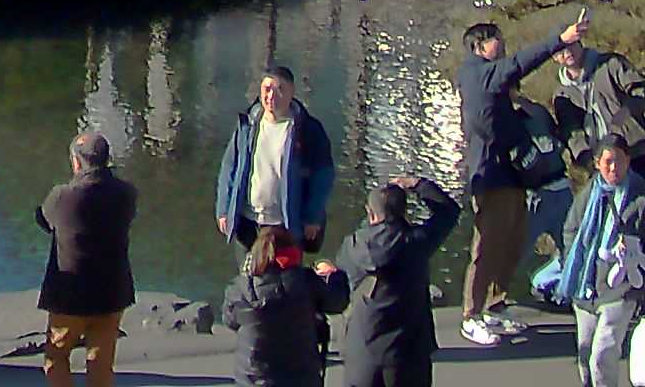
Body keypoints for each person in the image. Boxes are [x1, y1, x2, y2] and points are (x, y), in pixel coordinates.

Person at [455, 19, 563, 345]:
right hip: (490, 177)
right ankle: (471, 315)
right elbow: (518, 65)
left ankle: (495, 305)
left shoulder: (491, 77)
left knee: (512, 242)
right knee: (487, 246)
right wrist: (558, 39)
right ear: (479, 46)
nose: (502, 47)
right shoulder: (477, 73)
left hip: (513, 174)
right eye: (496, 42)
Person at [534, 139, 645, 387]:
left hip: (622, 288)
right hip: (586, 287)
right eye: (608, 162)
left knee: (603, 354)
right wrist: (577, 259)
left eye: (619, 161)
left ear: (628, 160)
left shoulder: (643, 197)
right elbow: (571, 229)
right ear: (597, 164)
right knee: (585, 352)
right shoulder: (589, 195)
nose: (613, 168)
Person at [38, 130, 137, 387]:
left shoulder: (63, 195)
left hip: (70, 295)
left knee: (57, 356)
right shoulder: (126, 193)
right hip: (112, 291)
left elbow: (44, 220)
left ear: (76, 162)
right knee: (101, 362)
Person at [338, 178, 453, 387]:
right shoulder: (417, 241)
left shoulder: (353, 245)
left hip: (363, 348)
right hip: (408, 350)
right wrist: (418, 184)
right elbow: (448, 211)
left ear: (370, 213)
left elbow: (342, 282)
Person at [217, 65, 336, 252]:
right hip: (248, 221)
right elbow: (229, 166)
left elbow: (323, 175)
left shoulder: (307, 129)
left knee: (287, 279)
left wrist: (312, 217)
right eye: (267, 89)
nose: (272, 96)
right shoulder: (248, 124)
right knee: (248, 277)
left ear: (292, 93)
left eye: (280, 90)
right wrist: (224, 209)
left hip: (285, 224)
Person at [550, 18, 645, 199]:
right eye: (561, 49)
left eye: (571, 45)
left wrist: (628, 110)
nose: (568, 52)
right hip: (606, 164)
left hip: (641, 152)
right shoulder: (562, 95)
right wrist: (587, 160)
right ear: (554, 57)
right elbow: (571, 132)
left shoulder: (610, 65)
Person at [223, 225, 351, 387]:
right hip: (301, 379)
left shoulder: (239, 289)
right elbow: (339, 301)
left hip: (254, 380)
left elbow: (230, 320)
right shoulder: (307, 282)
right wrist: (334, 275)